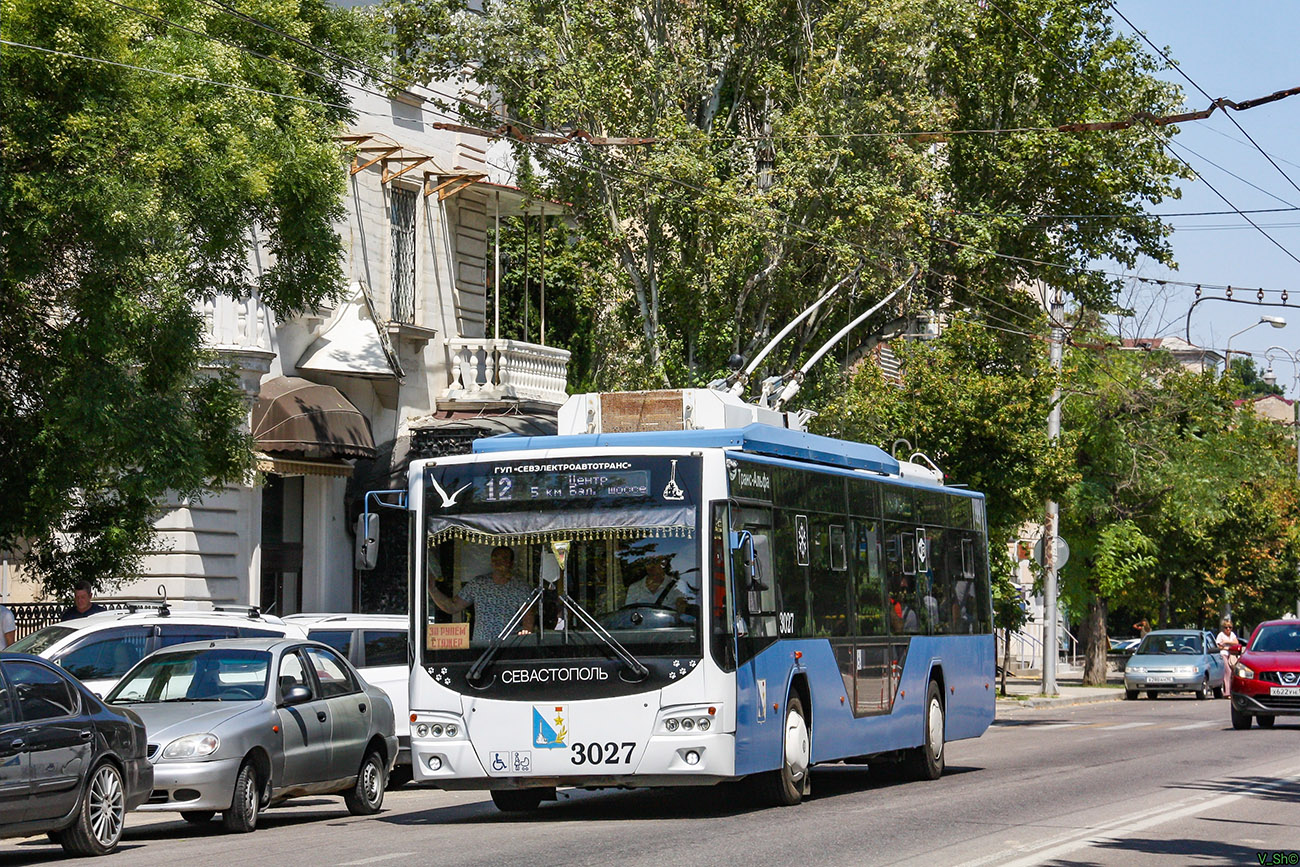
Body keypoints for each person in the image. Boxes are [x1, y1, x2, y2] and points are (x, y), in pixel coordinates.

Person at [429, 546, 535, 642]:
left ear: (511, 563)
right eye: (495, 558)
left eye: (504, 559)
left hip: (508, 648)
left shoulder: (520, 587)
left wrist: (524, 638)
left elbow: (528, 619)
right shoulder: (478, 584)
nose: (498, 562)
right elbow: (452, 607)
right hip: (480, 650)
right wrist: (432, 589)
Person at [1215, 617, 1240, 697]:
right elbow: (1218, 646)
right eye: (1226, 627)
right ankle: (1227, 693)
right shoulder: (1221, 635)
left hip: (1231, 655)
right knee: (1228, 672)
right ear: (1223, 628)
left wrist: (1226, 642)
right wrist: (1227, 647)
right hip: (1223, 655)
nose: (1228, 629)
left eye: (1230, 627)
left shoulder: (1232, 635)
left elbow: (1236, 642)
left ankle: (1232, 691)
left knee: (1233, 672)